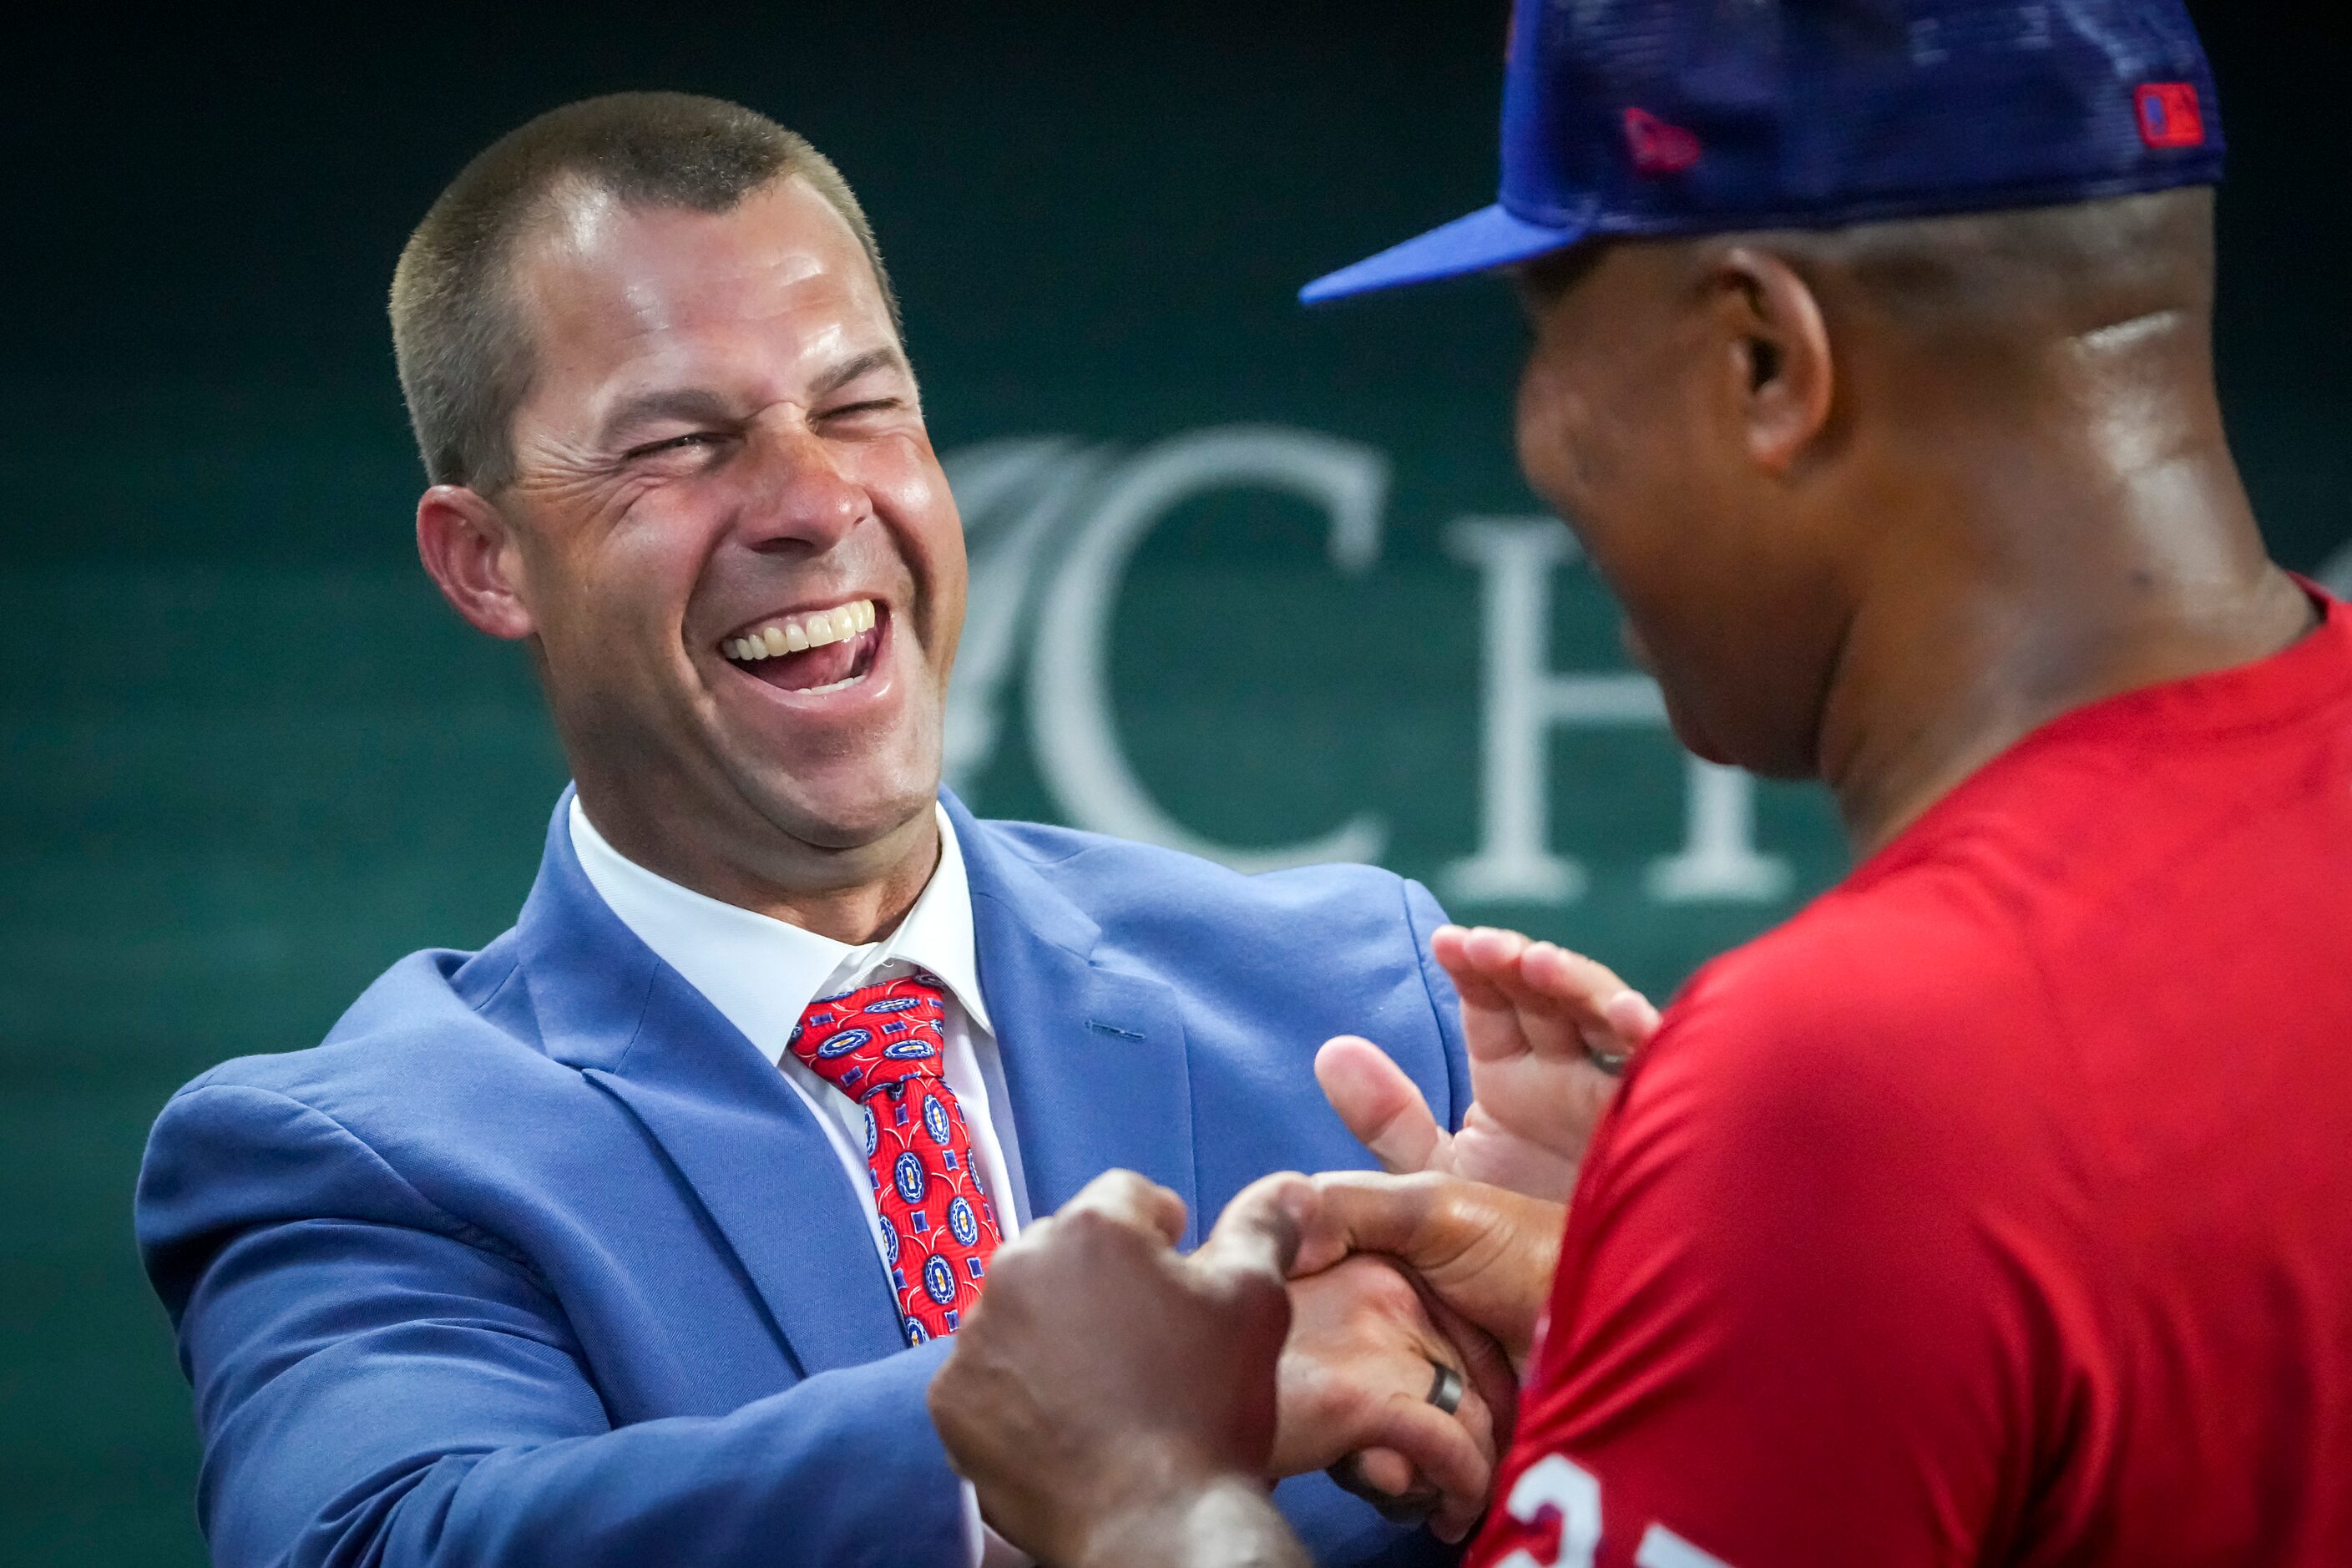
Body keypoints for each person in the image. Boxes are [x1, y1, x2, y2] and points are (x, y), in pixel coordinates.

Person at [926, 2, 2352, 1564]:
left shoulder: (1868, 1076)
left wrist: (1136, 1486)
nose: (1534, 434)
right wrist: (1681, 1343)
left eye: (1548, 328)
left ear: (1761, 359)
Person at [131, 91, 1621, 1567]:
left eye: (859, 406)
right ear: (485, 559)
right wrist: (1056, 1434)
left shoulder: (1374, 1005)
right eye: (679, 442)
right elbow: (384, 1543)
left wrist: (1620, 1351)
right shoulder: (360, 1157)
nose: (810, 497)